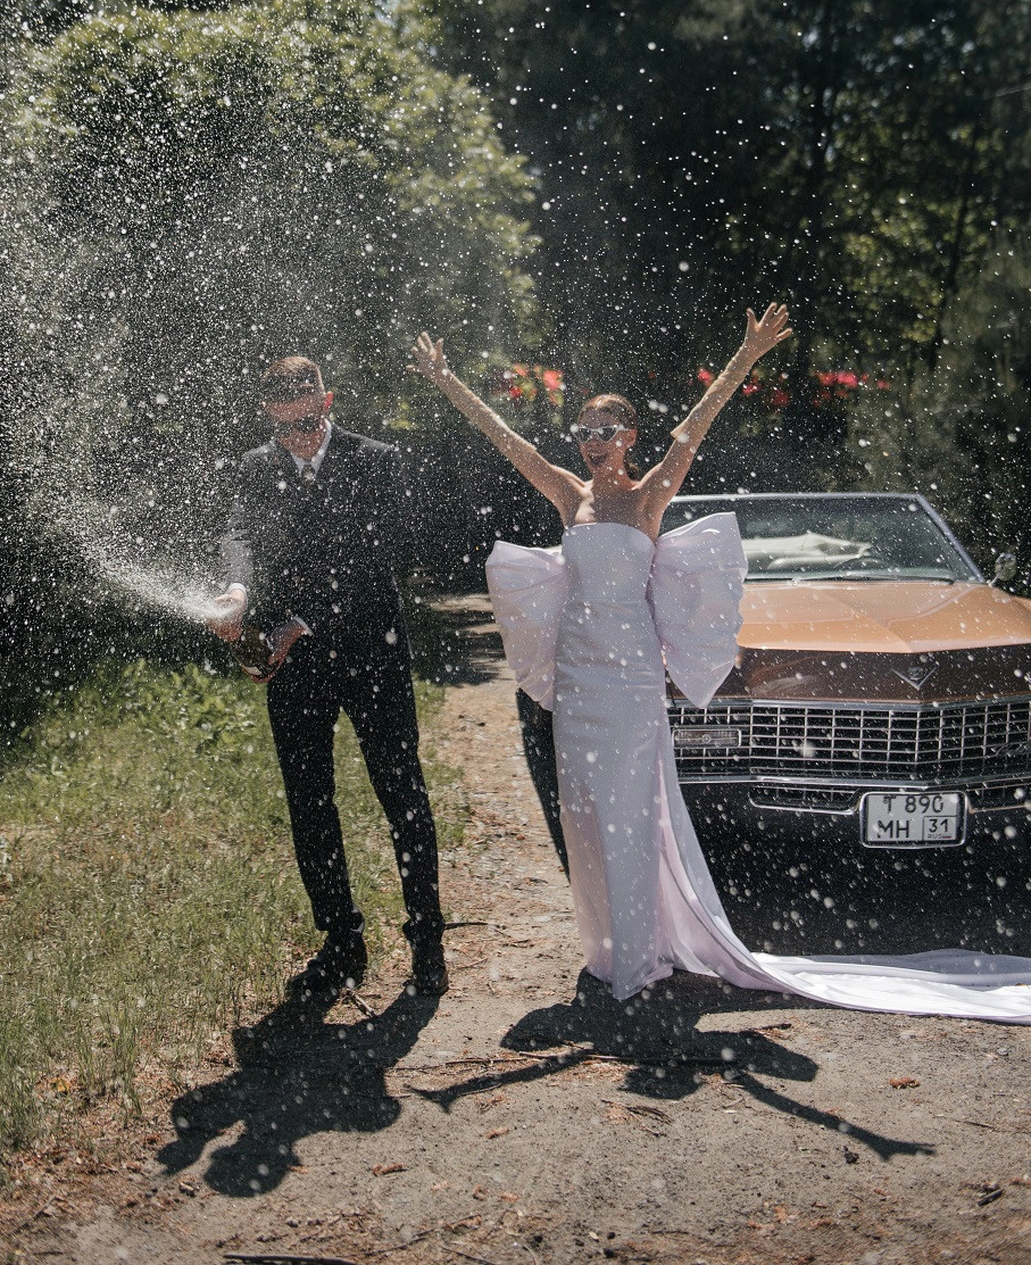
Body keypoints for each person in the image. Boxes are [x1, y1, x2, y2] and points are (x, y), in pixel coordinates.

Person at [411, 315, 1031, 1024]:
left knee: (631, 815)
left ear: (628, 437)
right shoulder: (567, 494)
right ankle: (608, 950)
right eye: (582, 430)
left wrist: (748, 352)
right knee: (584, 815)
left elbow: (694, 428)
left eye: (603, 430)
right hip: (579, 679)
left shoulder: (648, 496)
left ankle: (640, 957)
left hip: (631, 679)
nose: (590, 440)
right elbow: (508, 440)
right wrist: (447, 380)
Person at [210, 356, 446, 1001]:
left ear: (327, 401)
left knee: (401, 792)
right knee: (309, 802)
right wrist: (235, 593)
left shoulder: (377, 460)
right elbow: (239, 536)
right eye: (284, 425)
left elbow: (381, 554)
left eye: (307, 421)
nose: (297, 437)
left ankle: (427, 939)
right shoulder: (254, 469)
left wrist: (301, 621)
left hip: (373, 652)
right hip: (294, 667)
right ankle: (341, 943)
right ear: (268, 414)